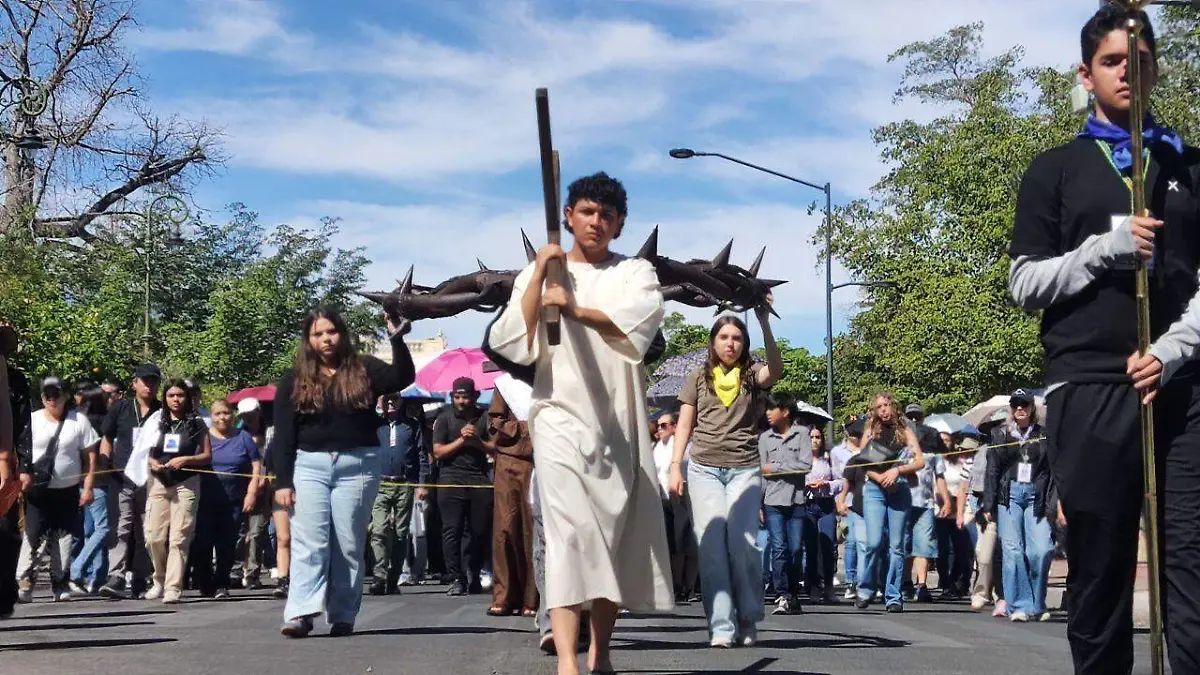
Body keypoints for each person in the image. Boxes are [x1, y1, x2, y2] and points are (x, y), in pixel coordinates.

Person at [1008, 7, 1200, 672]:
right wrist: (1103, 250)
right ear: (1087, 74)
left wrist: (1172, 349)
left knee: (1191, 575)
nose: (1128, 71)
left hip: (1182, 388)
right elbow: (1024, 282)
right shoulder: (1055, 168)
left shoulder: (1190, 166)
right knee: (1100, 578)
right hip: (1090, 386)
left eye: (1139, 60)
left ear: (1155, 69)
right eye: (1113, 61)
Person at [487, 172, 673, 675]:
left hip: (617, 417)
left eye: (607, 215)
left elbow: (637, 323)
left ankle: (602, 653)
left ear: (618, 224)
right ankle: (567, 660)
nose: (596, 221)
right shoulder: (543, 270)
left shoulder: (635, 271)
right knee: (568, 535)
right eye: (587, 211)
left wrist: (574, 307)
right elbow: (507, 341)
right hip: (556, 413)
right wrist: (542, 277)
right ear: (569, 216)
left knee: (609, 536)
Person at [272, 307, 414, 638]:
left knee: (348, 542)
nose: (326, 339)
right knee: (311, 542)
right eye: (318, 334)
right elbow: (283, 436)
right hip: (310, 466)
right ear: (308, 340)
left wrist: (397, 338)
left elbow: (402, 377)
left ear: (342, 333)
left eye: (331, 331)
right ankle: (301, 613)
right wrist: (282, 482)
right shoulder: (294, 379)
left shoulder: (364, 368)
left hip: (358, 465)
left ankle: (343, 614)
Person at [670, 311, 783, 648]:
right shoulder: (696, 377)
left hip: (744, 469)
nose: (730, 343)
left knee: (743, 545)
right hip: (703, 469)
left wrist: (764, 322)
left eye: (736, 337)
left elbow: (775, 370)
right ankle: (721, 626)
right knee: (712, 549)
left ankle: (748, 617)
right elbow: (684, 425)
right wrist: (675, 465)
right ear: (713, 341)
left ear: (744, 343)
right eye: (724, 337)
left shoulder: (751, 375)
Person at [16, 377, 100, 603]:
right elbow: (19, 452)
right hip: (37, 490)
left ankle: (60, 582)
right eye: (47, 395)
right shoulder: (31, 421)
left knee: (64, 537)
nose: (52, 399)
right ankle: (24, 581)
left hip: (67, 489)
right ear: (42, 398)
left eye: (57, 395)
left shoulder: (78, 421)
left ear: (65, 397)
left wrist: (88, 486)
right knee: (33, 536)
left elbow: (91, 456)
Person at [982, 390, 1054, 622]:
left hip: (1036, 494)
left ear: (1032, 408)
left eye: (1024, 404)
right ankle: (1019, 604)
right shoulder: (1000, 433)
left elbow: (1052, 469)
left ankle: (1037, 603)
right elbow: (992, 469)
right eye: (1015, 405)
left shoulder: (1044, 435)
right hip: (1009, 494)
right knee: (1013, 550)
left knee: (1040, 550)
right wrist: (989, 503)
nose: (1020, 408)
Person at [849, 392, 925, 612]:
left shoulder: (905, 431)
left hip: (899, 489)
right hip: (874, 489)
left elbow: (919, 461)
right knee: (873, 543)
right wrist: (879, 477)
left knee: (896, 546)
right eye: (879, 406)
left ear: (894, 407)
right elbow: (861, 463)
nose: (883, 409)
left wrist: (897, 470)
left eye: (887, 405)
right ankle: (866, 588)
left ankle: (893, 596)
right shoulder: (870, 431)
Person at [143, 379, 211, 604]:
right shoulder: (157, 421)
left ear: (187, 398)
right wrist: (152, 462)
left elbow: (206, 455)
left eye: (180, 395)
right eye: (171, 395)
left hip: (186, 481)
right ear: (165, 398)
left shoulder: (197, 423)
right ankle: (159, 579)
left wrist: (186, 459)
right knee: (153, 536)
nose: (175, 400)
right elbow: (146, 450)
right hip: (159, 481)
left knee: (178, 537)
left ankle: (173, 587)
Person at [98, 363, 161, 600]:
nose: (149, 385)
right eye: (144, 380)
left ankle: (142, 575)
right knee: (121, 527)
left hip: (151, 479)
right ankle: (116, 576)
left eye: (153, 381)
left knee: (146, 529)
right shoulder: (121, 408)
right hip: (121, 476)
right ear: (134, 383)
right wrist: (105, 461)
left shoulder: (161, 411)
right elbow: (107, 437)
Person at [192, 399, 261, 598]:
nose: (223, 417)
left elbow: (256, 465)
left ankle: (222, 582)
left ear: (233, 415)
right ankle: (204, 582)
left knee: (227, 543)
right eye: (218, 414)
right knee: (203, 542)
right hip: (205, 498)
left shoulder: (243, 437)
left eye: (226, 413)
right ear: (211, 417)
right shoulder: (204, 437)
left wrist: (252, 492)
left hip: (233, 500)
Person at [431, 377, 493, 597]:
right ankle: (456, 577)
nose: (461, 401)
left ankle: (474, 573)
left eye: (465, 397)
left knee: (479, 532)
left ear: (475, 396)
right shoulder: (444, 418)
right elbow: (437, 451)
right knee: (451, 530)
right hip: (450, 480)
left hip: (478, 479)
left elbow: (494, 449)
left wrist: (476, 439)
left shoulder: (484, 417)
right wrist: (461, 440)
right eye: (457, 397)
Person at [482, 390, 537, 617]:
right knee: (504, 528)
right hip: (508, 459)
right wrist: (525, 429)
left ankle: (533, 597)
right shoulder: (506, 385)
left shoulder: (548, 375)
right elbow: (495, 422)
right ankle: (504, 594)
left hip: (539, 458)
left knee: (533, 529)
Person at [758, 394, 812, 617]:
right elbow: (762, 471)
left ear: (785, 412)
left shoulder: (802, 435)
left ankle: (793, 592)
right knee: (778, 548)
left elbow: (806, 465)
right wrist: (757, 503)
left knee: (796, 550)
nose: (768, 413)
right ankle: (782, 595)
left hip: (797, 501)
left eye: (772, 409)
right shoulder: (764, 439)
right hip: (772, 501)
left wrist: (776, 467)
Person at [369, 395, 428, 595]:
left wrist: (421, 484)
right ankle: (379, 576)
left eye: (395, 399)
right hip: (380, 484)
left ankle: (393, 579)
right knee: (379, 530)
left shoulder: (411, 425)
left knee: (401, 533)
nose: (391, 403)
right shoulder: (376, 425)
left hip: (404, 483)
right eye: (387, 400)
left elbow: (421, 454)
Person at [652, 412, 698, 602]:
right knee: (672, 544)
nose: (659, 430)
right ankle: (676, 584)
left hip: (682, 497)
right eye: (658, 426)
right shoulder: (656, 448)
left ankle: (689, 586)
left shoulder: (682, 446)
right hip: (663, 500)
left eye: (663, 425)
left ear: (673, 427)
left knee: (686, 542)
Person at [69, 386, 111, 595]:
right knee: (103, 529)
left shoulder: (77, 423)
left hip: (78, 481)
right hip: (98, 482)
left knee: (90, 531)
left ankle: (97, 576)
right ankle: (77, 570)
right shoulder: (101, 424)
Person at [0, 325, 28, 618]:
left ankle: (5, 591)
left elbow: (16, 423)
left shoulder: (13, 378)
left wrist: (14, 462)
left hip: (2, 463)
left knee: (6, 532)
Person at [235, 396, 271, 590]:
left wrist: (266, 478)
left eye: (251, 415)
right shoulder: (237, 434)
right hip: (241, 487)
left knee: (256, 532)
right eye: (244, 416)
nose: (248, 419)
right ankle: (236, 569)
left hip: (265, 487)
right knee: (240, 532)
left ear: (258, 413)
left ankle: (252, 573)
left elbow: (274, 458)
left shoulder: (271, 432)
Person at [804, 424, 841, 604]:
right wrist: (806, 485)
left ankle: (828, 586)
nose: (815, 441)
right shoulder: (800, 459)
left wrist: (827, 485)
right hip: (808, 504)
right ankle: (813, 586)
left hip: (826, 504)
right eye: (811, 437)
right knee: (811, 547)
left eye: (818, 437)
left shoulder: (829, 458)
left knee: (828, 546)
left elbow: (841, 482)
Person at [937, 432, 975, 600]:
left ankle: (957, 582)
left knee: (961, 550)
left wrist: (956, 505)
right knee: (942, 551)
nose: (945, 443)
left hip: (958, 511)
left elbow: (963, 485)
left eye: (947, 440)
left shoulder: (959, 462)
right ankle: (945, 584)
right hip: (938, 510)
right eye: (942, 440)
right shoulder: (934, 460)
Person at [831, 417, 863, 600]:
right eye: (853, 432)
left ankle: (864, 580)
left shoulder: (867, 449)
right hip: (847, 501)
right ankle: (851, 581)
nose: (856, 435)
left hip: (864, 501)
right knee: (850, 541)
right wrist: (839, 501)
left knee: (865, 543)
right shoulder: (837, 452)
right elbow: (837, 477)